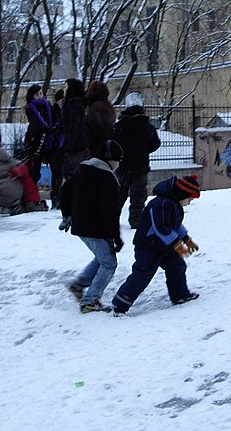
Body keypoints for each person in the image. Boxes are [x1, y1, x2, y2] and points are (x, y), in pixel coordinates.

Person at [110, 174, 202, 316]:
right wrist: (178, 245)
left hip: (164, 246)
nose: (190, 202)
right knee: (142, 275)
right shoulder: (161, 204)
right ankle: (120, 304)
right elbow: (161, 228)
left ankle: (180, 295)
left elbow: (175, 225)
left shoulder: (173, 203)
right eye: (189, 198)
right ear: (182, 193)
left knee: (177, 266)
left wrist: (187, 239)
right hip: (149, 247)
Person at [62, 139, 125, 313]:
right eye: (118, 160)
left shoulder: (83, 170)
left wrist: (67, 214)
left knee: (101, 257)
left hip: (82, 226)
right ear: (110, 159)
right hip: (95, 228)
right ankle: (90, 301)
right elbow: (109, 212)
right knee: (109, 263)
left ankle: (78, 285)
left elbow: (64, 190)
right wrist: (116, 237)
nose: (118, 165)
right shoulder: (107, 178)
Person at [113, 91, 162, 229]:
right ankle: (136, 219)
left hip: (122, 166)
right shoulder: (147, 127)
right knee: (139, 195)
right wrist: (143, 151)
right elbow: (155, 144)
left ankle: (112, 218)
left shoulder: (119, 126)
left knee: (119, 194)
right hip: (141, 166)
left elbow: (112, 143)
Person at [59, 78, 90, 200]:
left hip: (75, 149)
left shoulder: (73, 104)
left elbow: (73, 127)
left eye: (66, 87)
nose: (64, 90)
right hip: (79, 147)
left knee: (73, 182)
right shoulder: (78, 104)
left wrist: (68, 147)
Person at [23, 84, 58, 185]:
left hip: (50, 140)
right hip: (37, 141)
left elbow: (55, 118)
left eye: (41, 93)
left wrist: (53, 128)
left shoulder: (48, 106)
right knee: (34, 171)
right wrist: (48, 129)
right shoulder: (30, 108)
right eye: (37, 94)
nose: (40, 96)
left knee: (55, 168)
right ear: (32, 96)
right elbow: (35, 124)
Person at [84, 79, 116, 154]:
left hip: (95, 145)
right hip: (107, 142)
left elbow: (96, 126)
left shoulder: (95, 107)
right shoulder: (109, 105)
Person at [48, 88, 66, 210]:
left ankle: (60, 197)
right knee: (56, 174)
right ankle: (55, 198)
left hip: (63, 147)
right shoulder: (53, 112)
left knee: (61, 174)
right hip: (55, 147)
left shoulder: (66, 111)